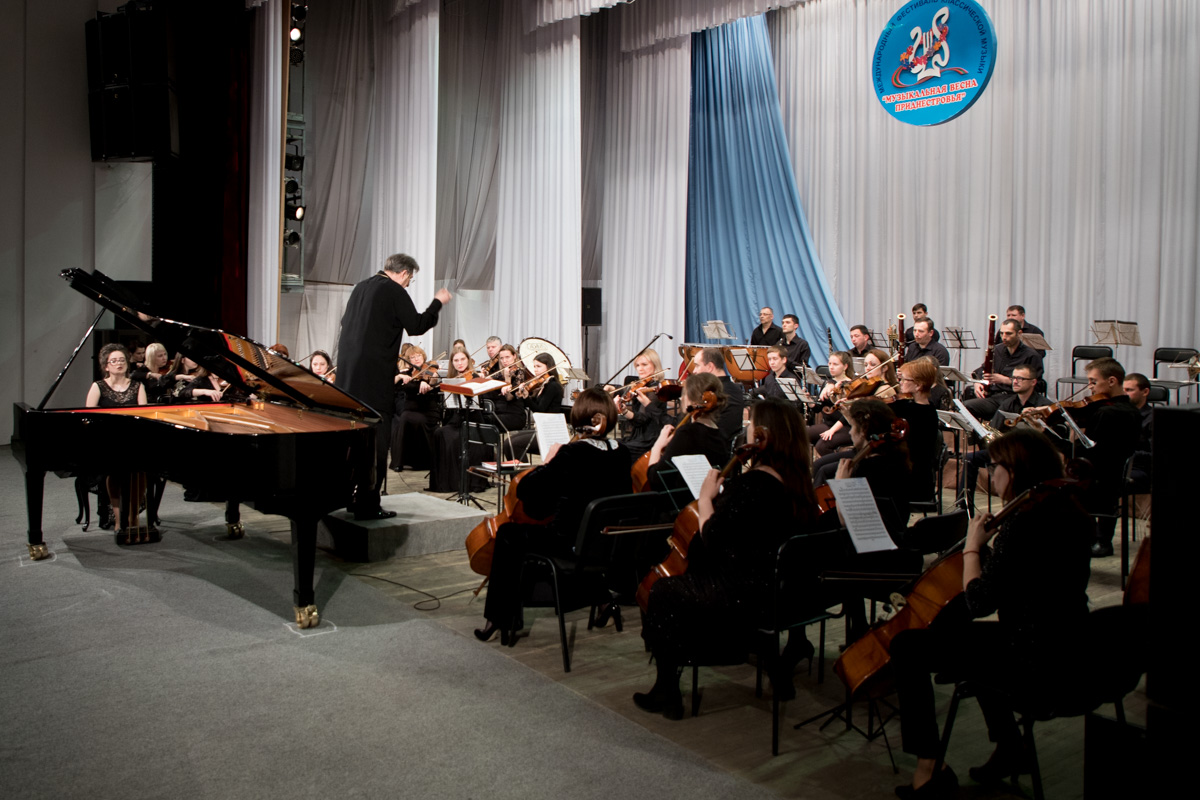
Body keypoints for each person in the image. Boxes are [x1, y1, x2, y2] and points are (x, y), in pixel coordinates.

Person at [890, 428, 1093, 797]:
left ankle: (929, 767)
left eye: (994, 466)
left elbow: (980, 602)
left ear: (1013, 472)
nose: (991, 473)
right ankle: (1011, 746)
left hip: (1031, 657)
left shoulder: (1023, 523)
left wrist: (972, 547)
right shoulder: (1075, 512)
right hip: (1073, 644)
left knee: (907, 646)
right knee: (974, 644)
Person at [633, 398, 819, 719]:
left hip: (743, 593)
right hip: (780, 592)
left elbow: (712, 541)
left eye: (751, 424)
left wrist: (706, 499)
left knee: (662, 590)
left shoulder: (754, 483)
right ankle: (772, 668)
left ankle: (667, 690)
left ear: (763, 435)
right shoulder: (799, 482)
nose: (747, 429)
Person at [474, 388, 632, 644]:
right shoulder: (621, 452)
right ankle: (604, 602)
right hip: (605, 545)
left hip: (569, 545)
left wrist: (548, 462)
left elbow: (526, 490)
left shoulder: (572, 453)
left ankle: (500, 618)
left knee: (508, 534)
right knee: (581, 531)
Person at [336, 253, 451, 519]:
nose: (409, 284)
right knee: (376, 443)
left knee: (354, 442)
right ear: (404, 273)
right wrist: (437, 302)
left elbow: (346, 324)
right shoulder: (393, 290)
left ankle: (351, 497)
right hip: (374, 381)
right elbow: (417, 325)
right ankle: (368, 504)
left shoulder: (360, 287)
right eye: (410, 279)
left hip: (348, 381)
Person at [1037, 357, 1142, 557]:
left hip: (1098, 480)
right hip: (1113, 476)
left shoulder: (1107, 413)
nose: (1090, 387)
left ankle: (1076, 539)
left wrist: (1047, 435)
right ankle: (1095, 537)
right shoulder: (1129, 409)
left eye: (1093, 381)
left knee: (1044, 483)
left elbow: (1082, 453)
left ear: (1111, 381)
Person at [959, 364, 1050, 514]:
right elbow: (994, 428)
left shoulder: (1044, 405)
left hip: (1031, 455)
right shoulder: (1008, 403)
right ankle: (964, 509)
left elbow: (1055, 437)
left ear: (1033, 382)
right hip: (1008, 451)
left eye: (1020, 378)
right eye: (1014, 378)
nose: (1015, 381)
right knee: (970, 458)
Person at [86, 344, 149, 540]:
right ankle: (119, 519)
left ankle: (133, 517)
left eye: (122, 360)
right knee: (114, 473)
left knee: (140, 473)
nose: (119, 363)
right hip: (108, 441)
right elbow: (89, 417)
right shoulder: (98, 386)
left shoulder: (138, 386)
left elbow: (145, 415)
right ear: (106, 366)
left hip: (134, 440)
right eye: (113, 361)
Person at [644, 373, 729, 491]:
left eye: (685, 394)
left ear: (693, 401)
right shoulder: (721, 435)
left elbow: (655, 479)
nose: (682, 398)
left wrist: (657, 446)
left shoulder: (687, 433)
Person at [965, 319, 1044, 419]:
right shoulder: (997, 350)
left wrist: (1006, 380)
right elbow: (981, 370)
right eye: (1002, 333)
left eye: (1008, 334)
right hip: (995, 396)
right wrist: (977, 382)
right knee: (965, 406)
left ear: (1019, 333)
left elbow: (1038, 385)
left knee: (1001, 411)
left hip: (1015, 398)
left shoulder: (1031, 355)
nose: (1004, 337)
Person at [389, 346, 440, 472]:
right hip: (410, 411)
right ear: (409, 360)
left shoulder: (430, 371)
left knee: (405, 418)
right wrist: (400, 376)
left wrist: (428, 381)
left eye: (418, 356)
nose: (416, 359)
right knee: (404, 418)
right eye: (413, 357)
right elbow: (390, 383)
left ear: (423, 357)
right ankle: (400, 461)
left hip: (427, 411)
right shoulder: (407, 373)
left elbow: (434, 382)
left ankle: (403, 462)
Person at [614, 349, 668, 461]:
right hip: (637, 435)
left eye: (644, 364)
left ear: (655, 366)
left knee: (616, 450)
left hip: (649, 438)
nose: (640, 369)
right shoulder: (640, 386)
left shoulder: (656, 390)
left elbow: (641, 419)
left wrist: (624, 411)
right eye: (637, 365)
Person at [689, 347, 746, 449]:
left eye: (697, 366)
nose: (694, 371)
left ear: (710, 367)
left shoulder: (717, 393)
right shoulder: (735, 389)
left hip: (715, 449)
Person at [808, 351, 856, 453]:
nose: (831, 367)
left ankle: (834, 463)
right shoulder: (827, 383)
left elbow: (847, 415)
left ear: (845, 366)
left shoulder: (850, 385)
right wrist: (810, 401)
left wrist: (832, 430)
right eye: (829, 363)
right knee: (802, 433)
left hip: (845, 426)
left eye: (835, 364)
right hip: (829, 424)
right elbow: (819, 408)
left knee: (822, 445)